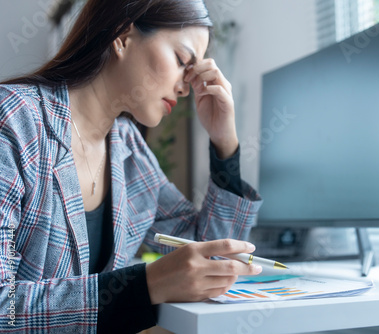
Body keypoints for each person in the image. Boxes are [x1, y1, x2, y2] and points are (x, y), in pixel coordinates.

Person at [0, 0, 263, 332]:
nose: (185, 87)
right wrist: (144, 285)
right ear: (123, 37)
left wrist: (224, 144)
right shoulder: (14, 120)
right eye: (182, 61)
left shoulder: (129, 149)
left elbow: (211, 256)